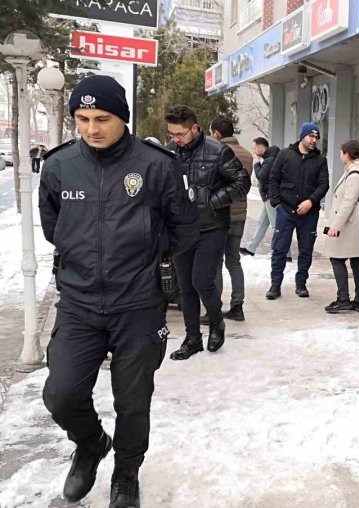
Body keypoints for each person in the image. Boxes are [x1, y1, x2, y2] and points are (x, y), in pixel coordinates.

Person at [38, 75, 199, 507]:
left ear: (122, 118)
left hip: (138, 304)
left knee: (132, 401)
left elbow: (183, 228)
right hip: (79, 303)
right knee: (61, 393)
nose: (92, 128)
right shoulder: (58, 166)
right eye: (83, 118)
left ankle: (126, 472)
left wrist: (147, 257)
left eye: (102, 118)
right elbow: (55, 228)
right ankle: (91, 443)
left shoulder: (156, 164)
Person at [165, 105, 249, 361]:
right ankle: (192, 339)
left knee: (202, 281)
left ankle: (216, 322)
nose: (175, 139)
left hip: (212, 227)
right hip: (182, 229)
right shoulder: (169, 153)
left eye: (180, 134)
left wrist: (212, 200)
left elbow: (242, 183)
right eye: (171, 134)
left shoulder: (217, 150)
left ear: (194, 127)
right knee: (185, 287)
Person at [266, 122, 329, 299]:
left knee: (306, 249)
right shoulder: (285, 155)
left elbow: (323, 185)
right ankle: (275, 285)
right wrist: (276, 203)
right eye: (311, 136)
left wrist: (311, 201)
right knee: (279, 249)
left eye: (316, 137)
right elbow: (273, 179)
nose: (314, 140)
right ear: (302, 136)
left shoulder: (320, 160)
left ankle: (301, 284)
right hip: (285, 210)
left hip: (309, 213)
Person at [209, 116, 254, 322]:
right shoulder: (246, 154)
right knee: (234, 260)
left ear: (217, 133)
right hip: (240, 214)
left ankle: (214, 308)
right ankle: (237, 305)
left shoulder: (216, 152)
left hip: (220, 214)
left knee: (216, 262)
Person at [323, 139, 359, 313]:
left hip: (350, 226)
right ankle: (358, 301)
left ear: (347, 154)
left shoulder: (355, 174)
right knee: (356, 261)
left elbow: (348, 202)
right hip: (355, 225)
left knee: (337, 259)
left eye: (341, 152)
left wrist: (335, 226)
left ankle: (343, 298)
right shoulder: (357, 170)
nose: (340, 156)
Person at [241, 137, 282, 256]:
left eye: (254, 148)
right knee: (261, 222)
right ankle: (251, 248)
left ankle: (285, 254)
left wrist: (257, 164)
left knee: (277, 226)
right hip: (268, 196)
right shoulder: (271, 157)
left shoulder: (270, 159)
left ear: (261, 146)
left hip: (271, 196)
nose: (254, 151)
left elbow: (261, 176)